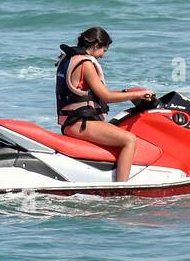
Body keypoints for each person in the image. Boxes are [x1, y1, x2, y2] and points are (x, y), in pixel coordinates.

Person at [55, 26, 156, 183]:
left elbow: (91, 92)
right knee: (129, 140)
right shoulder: (85, 64)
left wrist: (125, 92)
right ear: (96, 46)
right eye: (104, 50)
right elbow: (105, 96)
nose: (103, 55)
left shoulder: (67, 58)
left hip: (71, 122)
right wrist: (137, 94)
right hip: (81, 124)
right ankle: (123, 188)